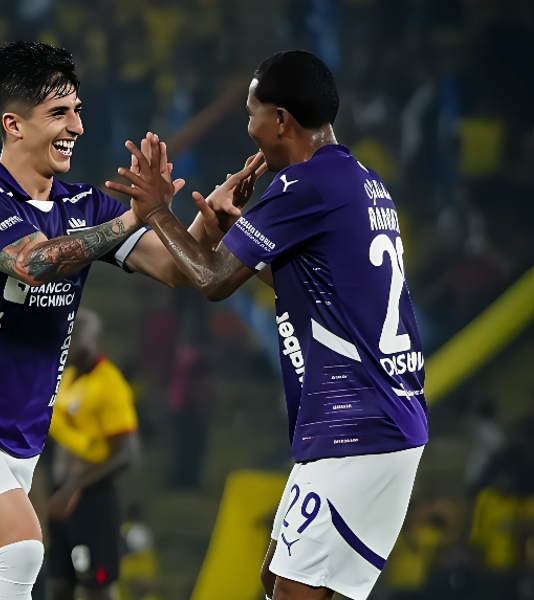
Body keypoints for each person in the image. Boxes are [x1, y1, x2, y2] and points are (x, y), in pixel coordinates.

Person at [0, 41, 263, 600]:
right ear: (13, 124)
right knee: (21, 548)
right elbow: (34, 264)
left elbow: (174, 270)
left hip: (18, 436)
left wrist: (211, 224)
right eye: (59, 113)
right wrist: (134, 216)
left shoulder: (83, 205)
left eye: (77, 111)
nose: (77, 127)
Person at [106, 50, 429, 600]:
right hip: (378, 416)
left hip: (356, 425)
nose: (249, 128)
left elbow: (211, 281)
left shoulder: (303, 185)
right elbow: (318, 289)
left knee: (294, 591)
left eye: (252, 113)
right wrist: (244, 243)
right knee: (275, 575)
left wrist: (158, 210)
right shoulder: (362, 181)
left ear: (280, 120)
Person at [46, 308, 139, 600]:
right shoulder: (66, 378)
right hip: (60, 496)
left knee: (96, 584)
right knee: (60, 583)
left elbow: (127, 454)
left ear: (89, 337)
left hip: (91, 500)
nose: (64, 343)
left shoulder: (110, 384)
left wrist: (75, 486)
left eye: (71, 336)